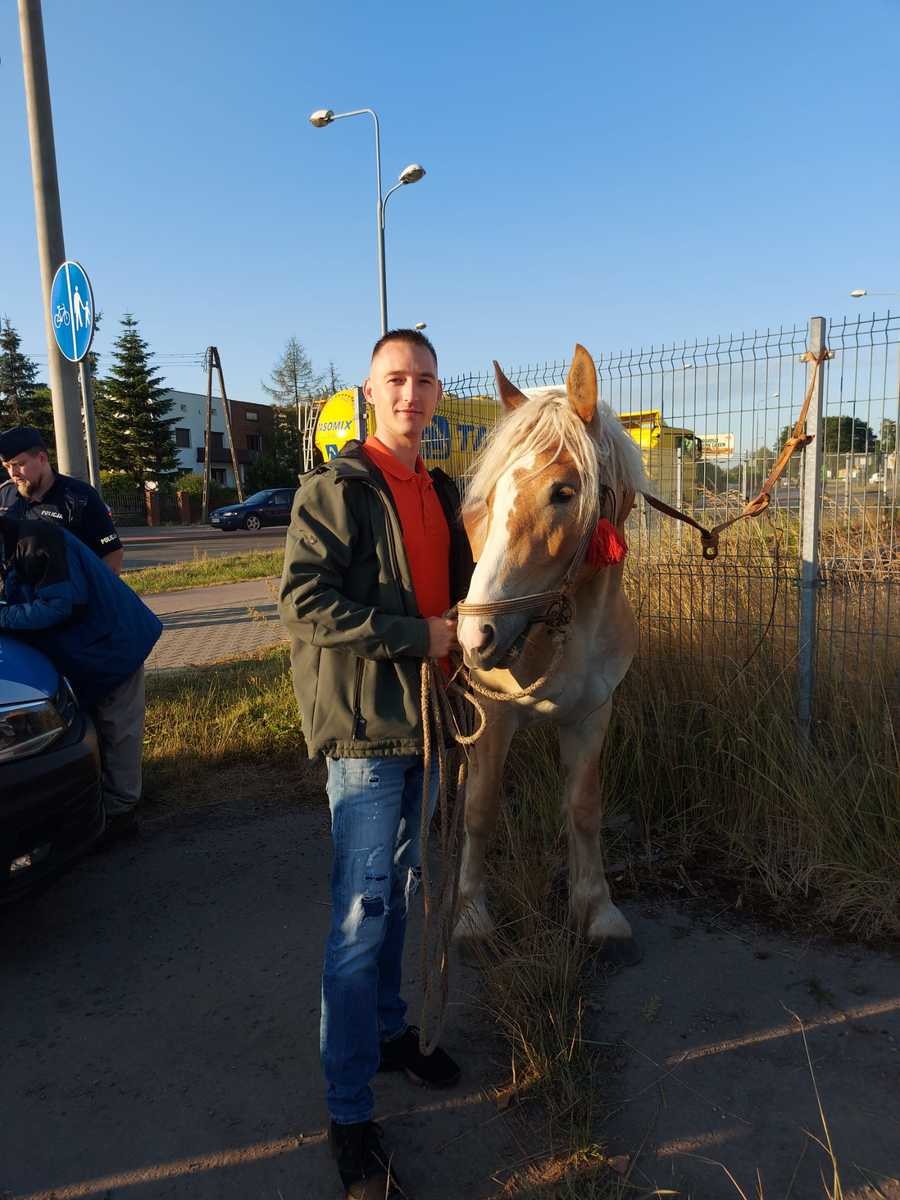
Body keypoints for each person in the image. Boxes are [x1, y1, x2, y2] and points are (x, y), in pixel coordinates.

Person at [278, 329, 474, 1200]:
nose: (411, 394)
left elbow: (469, 593)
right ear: (369, 392)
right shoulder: (337, 490)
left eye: (425, 381)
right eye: (396, 379)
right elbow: (305, 603)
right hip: (365, 733)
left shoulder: (440, 489)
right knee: (360, 915)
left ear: (437, 395)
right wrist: (418, 638)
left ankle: (392, 1034)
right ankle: (349, 1111)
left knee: (403, 890)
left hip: (429, 725)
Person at [0, 514, 161, 843]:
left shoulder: (36, 539)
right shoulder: (16, 540)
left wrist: (2, 616)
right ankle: (103, 804)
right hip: (93, 647)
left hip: (114, 644)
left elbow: (61, 605)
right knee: (102, 727)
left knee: (119, 728)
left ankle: (121, 815)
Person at [0, 425, 124, 574]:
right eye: (7, 466)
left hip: (67, 594)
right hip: (17, 594)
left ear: (42, 458)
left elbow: (112, 553)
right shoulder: (4, 495)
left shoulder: (80, 496)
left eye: (19, 464)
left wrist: (94, 592)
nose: (13, 473)